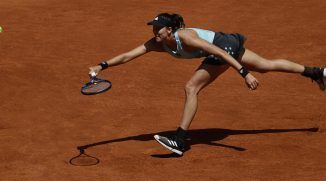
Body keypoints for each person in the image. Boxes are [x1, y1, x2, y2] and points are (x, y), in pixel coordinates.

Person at [89, 13, 325, 156]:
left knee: (192, 87)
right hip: (226, 42)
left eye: (157, 29)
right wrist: (103, 65)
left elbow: (216, 51)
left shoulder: (187, 37)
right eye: (153, 29)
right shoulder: (157, 43)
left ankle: (180, 140)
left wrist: (243, 73)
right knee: (266, 65)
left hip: (224, 47)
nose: (154, 33)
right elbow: (129, 55)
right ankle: (317, 72)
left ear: (170, 30)